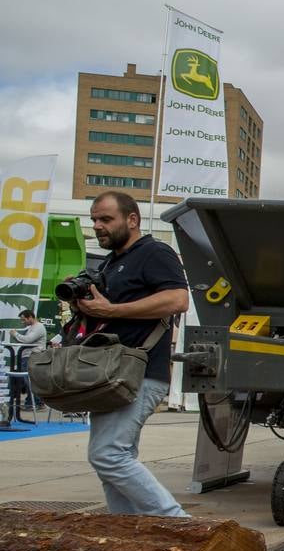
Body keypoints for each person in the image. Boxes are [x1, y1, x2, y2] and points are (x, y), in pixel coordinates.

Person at [66, 192, 190, 516]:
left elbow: (178, 300)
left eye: (106, 219)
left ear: (132, 220)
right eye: (94, 220)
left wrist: (113, 308)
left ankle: (177, 521)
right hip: (109, 375)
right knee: (112, 463)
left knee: (108, 455)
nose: (97, 226)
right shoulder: (110, 262)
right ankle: (125, 533)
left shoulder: (154, 252)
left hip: (139, 373)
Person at [11, 309, 47, 409]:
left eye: (24, 320)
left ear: (30, 317)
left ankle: (36, 403)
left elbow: (27, 340)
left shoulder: (38, 327)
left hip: (32, 357)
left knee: (30, 381)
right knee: (28, 381)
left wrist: (15, 334)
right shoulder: (32, 327)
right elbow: (24, 341)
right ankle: (31, 402)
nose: (23, 322)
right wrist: (16, 336)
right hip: (28, 357)